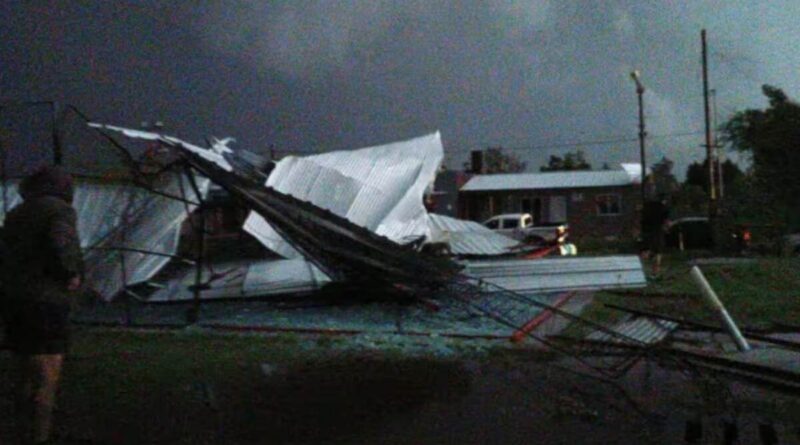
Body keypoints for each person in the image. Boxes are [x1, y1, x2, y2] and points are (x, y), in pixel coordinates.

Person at [1, 166, 83, 445]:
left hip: (15, 300)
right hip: (46, 302)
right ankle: (41, 435)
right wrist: (70, 272)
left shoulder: (16, 213)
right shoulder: (59, 211)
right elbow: (61, 243)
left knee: (24, 370)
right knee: (47, 375)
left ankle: (20, 431)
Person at [640, 193, 670, 276]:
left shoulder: (648, 206)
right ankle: (655, 270)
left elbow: (642, 219)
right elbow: (666, 221)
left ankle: (643, 267)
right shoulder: (664, 208)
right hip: (657, 231)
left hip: (647, 231)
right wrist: (666, 227)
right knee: (658, 251)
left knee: (647, 249)